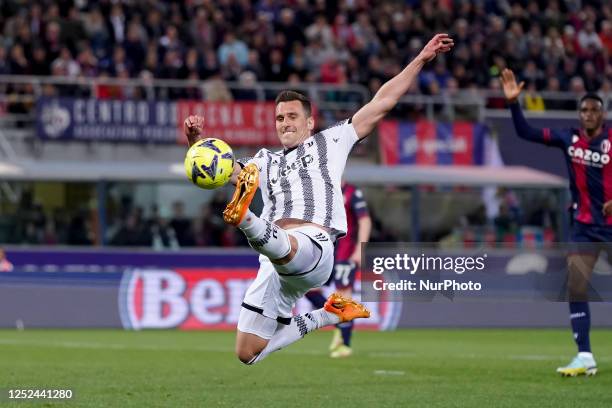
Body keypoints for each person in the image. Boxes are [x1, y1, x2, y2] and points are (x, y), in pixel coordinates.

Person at [185, 34, 454, 365]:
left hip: (314, 246)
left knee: (273, 234)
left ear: (309, 122)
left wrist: (421, 58)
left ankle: (245, 219)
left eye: (293, 117)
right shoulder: (264, 160)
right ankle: (329, 314)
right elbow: (224, 172)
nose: (285, 123)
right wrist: (198, 146)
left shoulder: (332, 142)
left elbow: (382, 101)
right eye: (280, 118)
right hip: (275, 265)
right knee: (247, 353)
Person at [501, 68, 609, 377]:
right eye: (584, 110)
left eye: (594, 110)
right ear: (579, 114)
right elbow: (526, 133)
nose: (589, 114)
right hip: (584, 226)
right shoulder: (568, 138)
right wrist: (513, 104)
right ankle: (585, 356)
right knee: (576, 285)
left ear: (602, 115)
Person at [306, 181, 372, 358]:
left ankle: (345, 344)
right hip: (326, 251)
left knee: (343, 295)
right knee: (309, 289)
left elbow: (364, 221)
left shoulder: (351, 192)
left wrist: (360, 249)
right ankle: (339, 323)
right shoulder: (323, 191)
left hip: (346, 252)